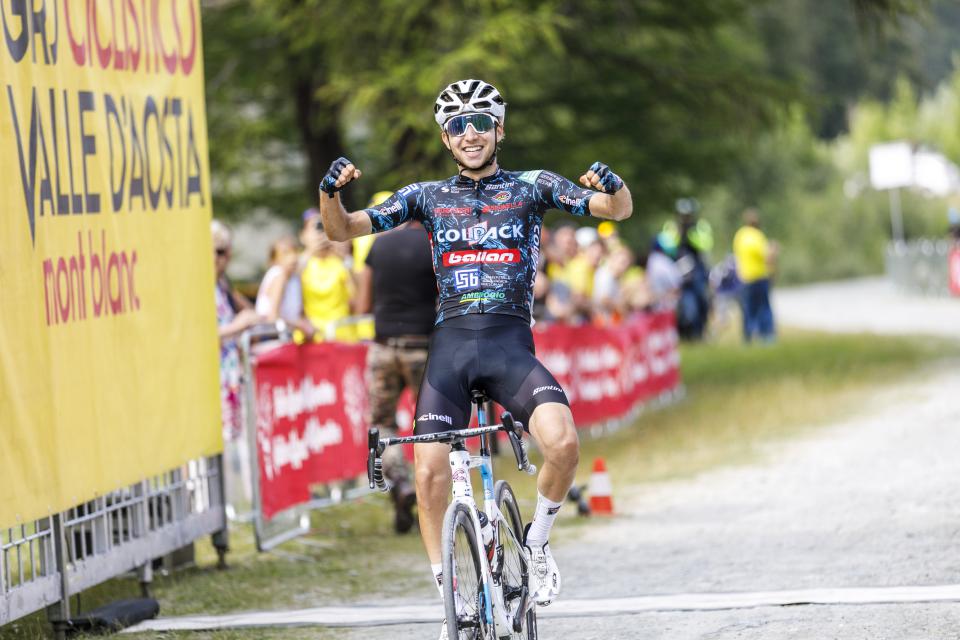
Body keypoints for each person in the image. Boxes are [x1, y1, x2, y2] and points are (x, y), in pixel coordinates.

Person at [316, 79, 633, 633]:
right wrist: (329, 193)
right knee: (428, 471)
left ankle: (536, 545)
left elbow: (616, 209)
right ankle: (451, 599)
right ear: (445, 138)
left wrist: (615, 186)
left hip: (510, 347)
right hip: (451, 351)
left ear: (499, 129)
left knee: (563, 444)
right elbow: (341, 230)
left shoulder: (533, 186)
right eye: (457, 125)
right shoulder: (425, 196)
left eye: (480, 122)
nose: (470, 133)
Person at [355, 202, 438, 534]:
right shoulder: (434, 245)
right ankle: (429, 497)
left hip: (383, 347)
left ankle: (400, 483)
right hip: (422, 346)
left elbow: (362, 303)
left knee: (382, 423)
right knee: (432, 423)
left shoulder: (380, 245)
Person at [299, 208, 353, 341]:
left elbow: (358, 302)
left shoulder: (342, 263)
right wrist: (309, 252)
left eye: (324, 228)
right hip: (311, 338)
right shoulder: (299, 265)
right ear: (303, 236)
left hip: (342, 336)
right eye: (315, 228)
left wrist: (345, 257)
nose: (320, 233)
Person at [255, 235, 315, 340]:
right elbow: (272, 318)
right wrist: (299, 325)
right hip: (270, 335)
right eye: (286, 253)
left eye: (295, 251)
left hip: (286, 333)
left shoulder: (295, 277)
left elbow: (300, 312)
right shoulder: (279, 275)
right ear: (274, 260)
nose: (293, 257)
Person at [733, 208, 776, 342]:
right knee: (764, 308)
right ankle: (767, 336)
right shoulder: (758, 236)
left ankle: (748, 337)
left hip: (744, 278)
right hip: (760, 276)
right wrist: (774, 250)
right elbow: (768, 257)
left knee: (748, 310)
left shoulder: (740, 235)